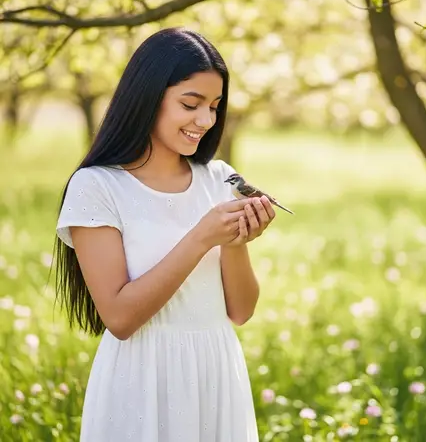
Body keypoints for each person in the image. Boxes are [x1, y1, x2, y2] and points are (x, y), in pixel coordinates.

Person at [52, 27, 276, 441]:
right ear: (148, 96)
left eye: (214, 106)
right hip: (141, 380)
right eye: (190, 104)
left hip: (216, 372)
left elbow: (240, 311)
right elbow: (119, 318)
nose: (206, 121)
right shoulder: (97, 187)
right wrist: (201, 236)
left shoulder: (221, 178)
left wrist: (235, 243)